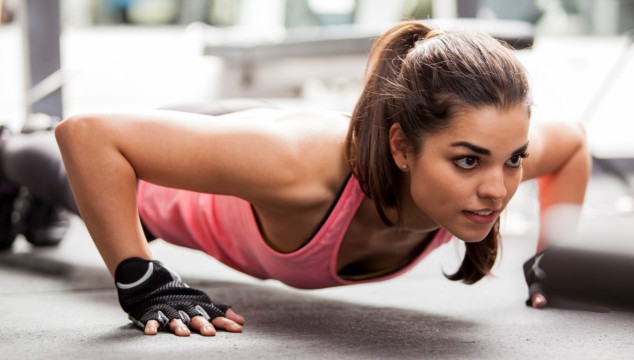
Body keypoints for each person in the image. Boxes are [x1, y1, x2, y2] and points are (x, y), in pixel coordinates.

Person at [0, 21, 591, 337]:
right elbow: (88, 136)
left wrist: (554, 262)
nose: (498, 188)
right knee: (52, 166)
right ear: (401, 148)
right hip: (212, 169)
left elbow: (571, 149)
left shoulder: (489, 160)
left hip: (252, 135)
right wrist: (142, 279)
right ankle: (12, 145)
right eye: (468, 161)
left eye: (513, 159)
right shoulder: (302, 166)